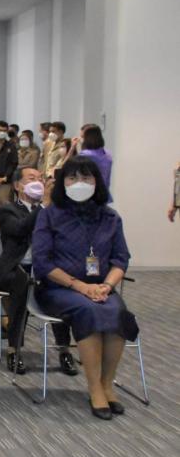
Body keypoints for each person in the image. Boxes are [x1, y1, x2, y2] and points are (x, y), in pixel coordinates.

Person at [33, 156, 135, 420]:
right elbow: (42, 262)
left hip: (101, 288)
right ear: (63, 183)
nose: (80, 183)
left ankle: (107, 384)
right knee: (90, 311)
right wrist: (79, 286)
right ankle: (94, 388)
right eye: (73, 178)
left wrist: (106, 285)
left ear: (97, 182)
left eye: (86, 177)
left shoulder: (110, 217)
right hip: (59, 289)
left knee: (117, 312)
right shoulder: (49, 215)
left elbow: (121, 259)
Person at [0, 167, 76, 375]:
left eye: (41, 178)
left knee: (61, 288)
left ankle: (64, 349)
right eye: (32, 179)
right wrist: (44, 205)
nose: (38, 182)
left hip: (45, 269)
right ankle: (14, 349)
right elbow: (20, 229)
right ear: (17, 186)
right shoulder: (7, 210)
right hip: (16, 268)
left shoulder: (55, 211)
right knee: (22, 285)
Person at [76, 125, 112, 189]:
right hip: (104, 191)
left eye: (82, 137)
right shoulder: (108, 154)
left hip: (88, 191)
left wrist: (72, 148)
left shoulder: (85, 154)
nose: (80, 140)